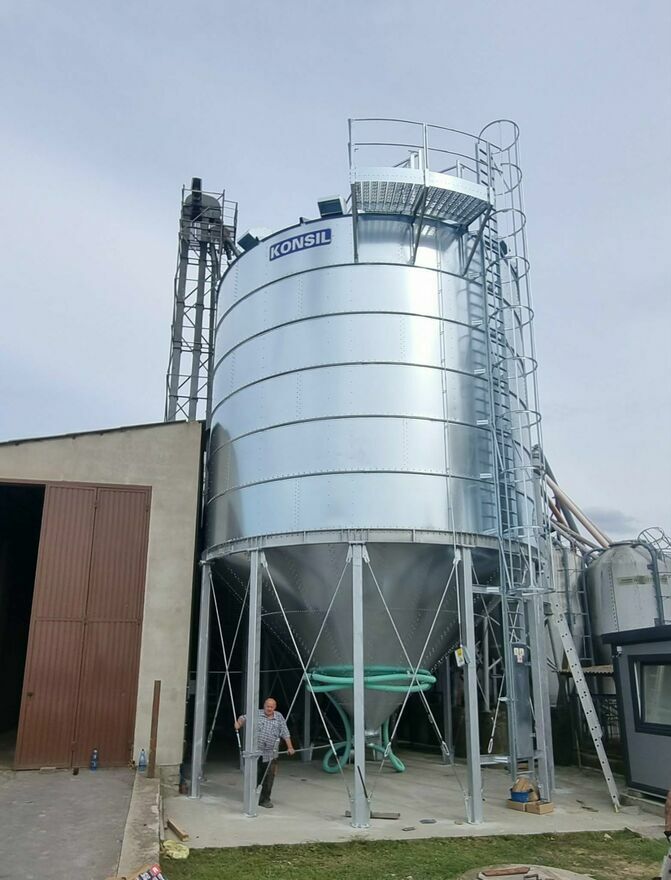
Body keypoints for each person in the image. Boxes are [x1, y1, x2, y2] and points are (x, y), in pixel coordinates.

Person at [234, 697, 295, 808]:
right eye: (267, 706)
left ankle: (265, 799)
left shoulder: (279, 717)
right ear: (264, 706)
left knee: (269, 777)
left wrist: (290, 747)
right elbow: (243, 718)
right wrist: (239, 724)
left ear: (275, 707)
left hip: (271, 754)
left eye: (271, 707)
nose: (269, 708)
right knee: (255, 775)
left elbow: (285, 733)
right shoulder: (256, 713)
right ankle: (252, 797)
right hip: (256, 752)